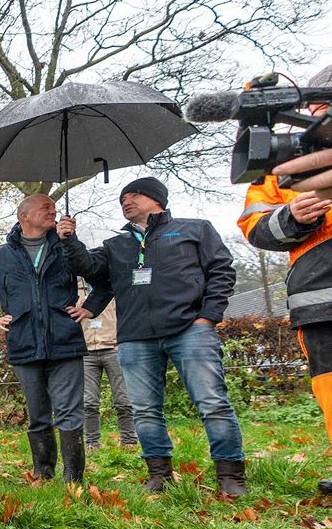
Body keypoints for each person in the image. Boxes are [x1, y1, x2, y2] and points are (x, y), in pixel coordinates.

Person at [59, 177, 247, 499]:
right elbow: (88, 267)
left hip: (190, 330)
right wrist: (69, 239)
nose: (126, 202)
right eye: (122, 199)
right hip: (135, 337)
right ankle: (159, 474)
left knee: (212, 404)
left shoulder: (195, 230)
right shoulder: (116, 246)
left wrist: (207, 317)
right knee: (144, 410)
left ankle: (230, 475)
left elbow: (222, 270)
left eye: (134, 195)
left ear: (156, 198)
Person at [238, 64, 332, 492]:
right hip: (319, 288)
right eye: (315, 105)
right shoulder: (283, 159)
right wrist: (291, 217)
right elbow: (254, 225)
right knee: (329, 379)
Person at [0, 194, 98, 483]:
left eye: (54, 207)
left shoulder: (65, 248)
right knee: (38, 414)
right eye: (45, 208)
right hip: (24, 343)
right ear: (24, 216)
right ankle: (43, 473)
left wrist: (89, 307)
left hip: (65, 343)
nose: (53, 211)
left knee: (69, 413)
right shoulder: (1, 256)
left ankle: (73, 478)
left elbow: (97, 274)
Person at [77, 283, 138, 452]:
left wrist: (124, 339)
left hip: (114, 348)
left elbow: (130, 311)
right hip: (86, 351)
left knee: (123, 400)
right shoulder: (73, 287)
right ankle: (92, 445)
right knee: (88, 403)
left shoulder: (112, 283)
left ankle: (129, 442)